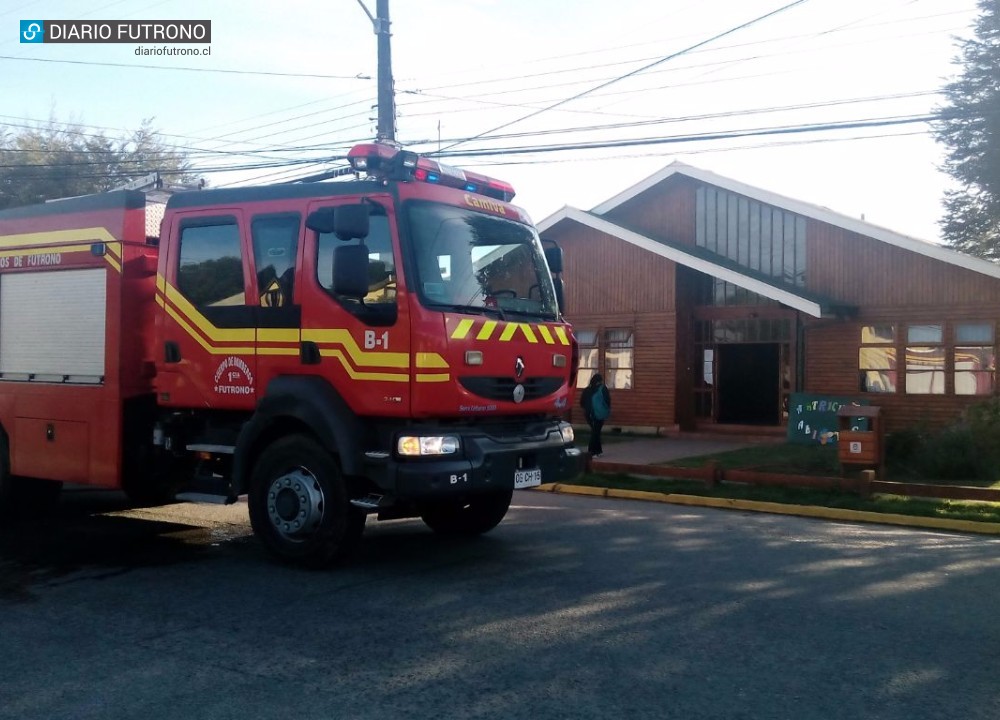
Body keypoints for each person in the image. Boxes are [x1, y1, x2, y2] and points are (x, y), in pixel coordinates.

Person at [580, 373, 611, 457]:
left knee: (595, 431)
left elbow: (581, 403)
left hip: (588, 414)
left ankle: (598, 450)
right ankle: (592, 452)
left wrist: (587, 408)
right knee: (595, 432)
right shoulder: (603, 388)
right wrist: (606, 409)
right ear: (600, 381)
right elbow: (608, 400)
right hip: (598, 414)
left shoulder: (587, 390)